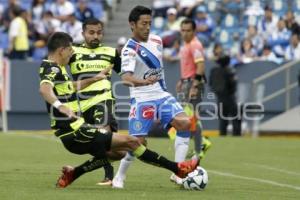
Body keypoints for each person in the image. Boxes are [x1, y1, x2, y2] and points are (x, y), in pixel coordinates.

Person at [39, 32, 198, 189]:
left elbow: (71, 87)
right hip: (75, 131)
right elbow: (45, 89)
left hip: (77, 131)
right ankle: (178, 169)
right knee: (133, 142)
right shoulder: (51, 67)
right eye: (70, 49)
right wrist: (61, 106)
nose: (72, 52)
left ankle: (74, 173)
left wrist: (95, 78)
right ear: (61, 50)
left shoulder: (58, 69)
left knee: (120, 152)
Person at [112, 6, 198, 189]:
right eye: (144, 24)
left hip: (161, 95)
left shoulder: (157, 40)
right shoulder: (129, 49)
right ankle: (119, 176)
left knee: (185, 123)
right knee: (137, 142)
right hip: (142, 99)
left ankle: (178, 172)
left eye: (150, 23)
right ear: (132, 25)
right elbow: (126, 78)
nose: (147, 27)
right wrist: (144, 82)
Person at [68, 18, 120, 186]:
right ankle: (110, 171)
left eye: (99, 32)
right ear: (83, 33)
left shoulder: (111, 52)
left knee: (102, 135)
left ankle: (109, 176)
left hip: (103, 100)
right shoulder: (73, 52)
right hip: (83, 105)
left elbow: (126, 74)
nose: (95, 36)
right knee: (103, 145)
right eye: (91, 33)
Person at [172, 18, 211, 184]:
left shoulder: (195, 45)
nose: (185, 33)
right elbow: (188, 66)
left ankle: (201, 143)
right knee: (188, 118)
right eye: (183, 30)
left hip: (194, 84)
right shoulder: (186, 45)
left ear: (194, 31)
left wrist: (194, 85)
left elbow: (200, 66)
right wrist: (182, 80)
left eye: (188, 30)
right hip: (187, 82)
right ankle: (199, 143)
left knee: (191, 117)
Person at [209, 55, 241, 136]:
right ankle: (236, 135)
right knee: (236, 116)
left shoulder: (213, 71)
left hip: (219, 98)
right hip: (229, 98)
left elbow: (210, 84)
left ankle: (222, 135)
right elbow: (233, 85)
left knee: (223, 119)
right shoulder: (229, 71)